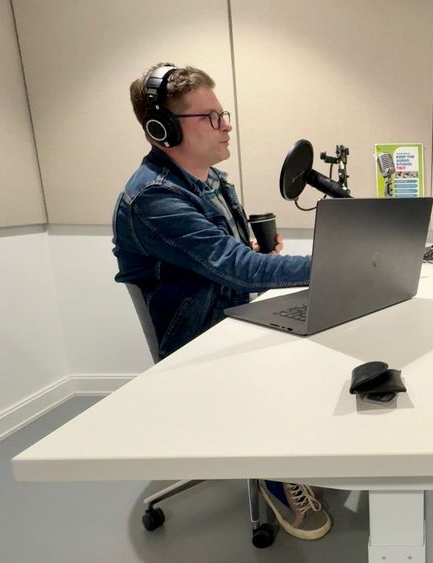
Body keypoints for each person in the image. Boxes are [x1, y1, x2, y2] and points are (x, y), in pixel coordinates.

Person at [112, 63, 329, 539]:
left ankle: (291, 449)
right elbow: (237, 268)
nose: (226, 124)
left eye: (222, 113)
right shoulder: (152, 198)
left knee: (331, 337)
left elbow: (231, 258)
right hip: (196, 343)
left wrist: (254, 253)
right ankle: (276, 472)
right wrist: (336, 262)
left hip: (235, 315)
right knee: (302, 360)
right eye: (210, 117)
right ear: (162, 129)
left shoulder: (212, 179)